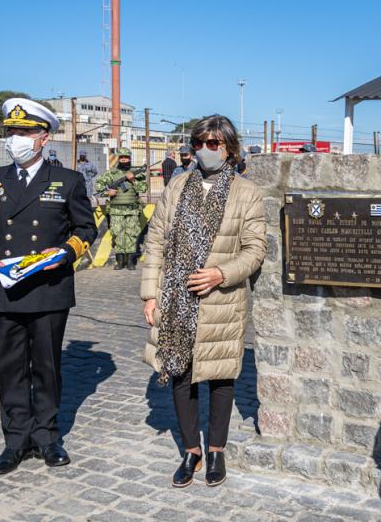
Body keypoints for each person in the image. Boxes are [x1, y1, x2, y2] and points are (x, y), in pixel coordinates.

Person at [0, 98, 97, 475]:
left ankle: (48, 436)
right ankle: (15, 441)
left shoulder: (67, 181)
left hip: (48, 288)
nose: (16, 139)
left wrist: (65, 253)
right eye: (11, 132)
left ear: (44, 137)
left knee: (47, 366)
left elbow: (86, 229)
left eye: (24, 132)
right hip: (4, 289)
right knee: (10, 368)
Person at [140, 114, 266, 489]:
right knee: (180, 372)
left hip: (221, 300)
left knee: (220, 376)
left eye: (213, 144)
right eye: (198, 143)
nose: (204, 150)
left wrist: (221, 274)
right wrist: (150, 293)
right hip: (176, 297)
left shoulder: (246, 192)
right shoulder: (177, 186)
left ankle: (216, 450)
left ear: (228, 148)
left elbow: (254, 249)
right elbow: (156, 241)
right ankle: (191, 450)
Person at [95, 148, 147, 270]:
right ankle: (120, 261)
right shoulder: (111, 173)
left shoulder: (136, 173)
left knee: (131, 235)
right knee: (118, 234)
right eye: (122, 157)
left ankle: (130, 262)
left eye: (126, 157)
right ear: (119, 158)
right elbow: (98, 186)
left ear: (130, 158)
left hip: (132, 210)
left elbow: (143, 188)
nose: (124, 159)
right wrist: (108, 192)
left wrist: (133, 179)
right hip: (116, 210)